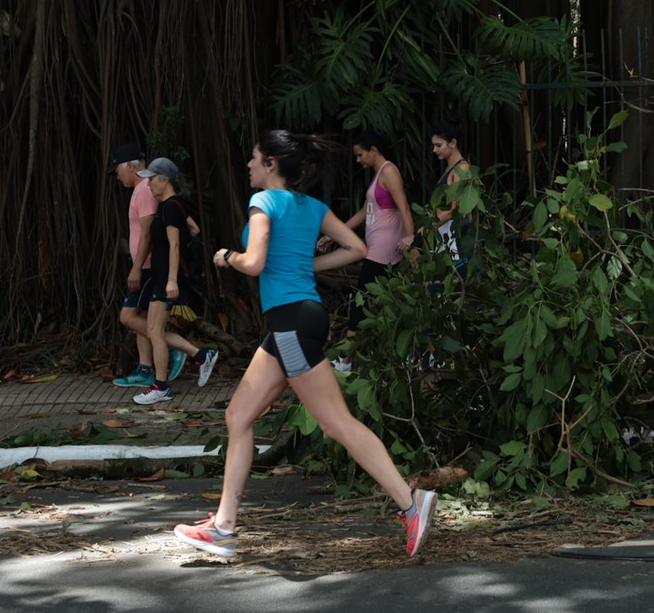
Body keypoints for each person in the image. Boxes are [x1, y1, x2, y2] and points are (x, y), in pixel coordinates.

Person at [173, 130, 436, 559]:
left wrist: (228, 258)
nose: (249, 165)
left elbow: (254, 262)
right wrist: (306, 263)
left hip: (291, 324)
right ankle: (223, 526)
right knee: (238, 415)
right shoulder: (311, 207)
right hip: (294, 322)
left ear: (272, 164)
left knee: (336, 423)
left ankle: (411, 503)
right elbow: (357, 248)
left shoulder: (263, 203)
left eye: (254, 158)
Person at [130, 158, 221, 405]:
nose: (148, 184)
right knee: (153, 329)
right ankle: (201, 357)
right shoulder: (173, 206)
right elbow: (194, 229)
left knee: (154, 331)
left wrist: (172, 281)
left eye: (151, 179)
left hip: (166, 279)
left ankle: (161, 386)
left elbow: (175, 244)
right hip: (163, 277)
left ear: (164, 179)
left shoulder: (170, 207)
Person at [110, 144, 198, 388]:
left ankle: (174, 354)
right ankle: (148, 368)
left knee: (133, 318)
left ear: (129, 166)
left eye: (118, 170)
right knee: (145, 321)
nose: (117, 176)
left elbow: (153, 235)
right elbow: (188, 225)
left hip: (150, 268)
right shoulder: (160, 197)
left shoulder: (150, 194)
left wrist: (139, 267)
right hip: (152, 267)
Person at [331, 131, 416, 371]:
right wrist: (333, 233)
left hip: (385, 248)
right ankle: (405, 355)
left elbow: (404, 207)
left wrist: (412, 239)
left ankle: (346, 360)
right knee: (385, 301)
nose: (358, 160)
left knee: (362, 301)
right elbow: (362, 212)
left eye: (360, 155)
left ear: (373, 150)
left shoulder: (389, 172)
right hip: (378, 247)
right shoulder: (378, 175)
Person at [427, 122, 472, 277]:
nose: (434, 150)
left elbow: (453, 210)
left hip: (457, 237)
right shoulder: (448, 169)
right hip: (445, 235)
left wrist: (423, 231)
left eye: (438, 145)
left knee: (457, 286)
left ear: (453, 143)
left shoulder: (462, 168)